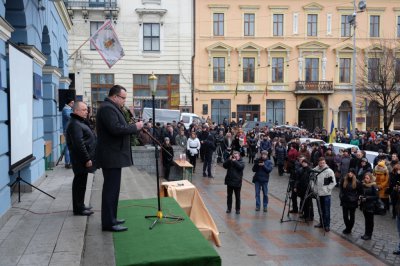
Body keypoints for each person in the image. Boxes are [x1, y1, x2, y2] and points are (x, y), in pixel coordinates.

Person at [96, 85, 143, 232]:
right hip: (111, 155)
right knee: (110, 190)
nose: (124, 101)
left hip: (114, 155)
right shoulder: (107, 108)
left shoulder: (111, 107)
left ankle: (112, 218)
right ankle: (108, 223)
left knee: (114, 189)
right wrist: (135, 127)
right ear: (115, 96)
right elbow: (115, 129)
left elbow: (118, 126)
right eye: (123, 98)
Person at [66, 101, 96, 216]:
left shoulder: (79, 122)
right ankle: (78, 208)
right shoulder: (75, 124)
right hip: (81, 161)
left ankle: (81, 205)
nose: (86, 112)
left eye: (86, 110)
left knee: (82, 184)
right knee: (79, 184)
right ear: (76, 111)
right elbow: (79, 144)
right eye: (84, 110)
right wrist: (86, 159)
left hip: (82, 160)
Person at [313, 157, 336, 232]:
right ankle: (321, 223)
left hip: (326, 194)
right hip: (318, 193)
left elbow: (333, 182)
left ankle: (327, 225)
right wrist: (313, 188)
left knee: (326, 210)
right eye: (320, 163)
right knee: (320, 209)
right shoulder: (315, 170)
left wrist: (327, 189)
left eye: (323, 163)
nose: (322, 164)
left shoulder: (329, 171)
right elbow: (311, 180)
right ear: (318, 163)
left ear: (325, 163)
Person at [339, 168, 362, 234]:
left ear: (354, 174)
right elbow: (341, 188)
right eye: (349, 172)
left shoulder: (357, 182)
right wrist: (341, 195)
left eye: (351, 173)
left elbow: (360, 192)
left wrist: (356, 198)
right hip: (345, 200)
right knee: (345, 216)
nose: (350, 174)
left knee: (352, 216)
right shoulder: (344, 179)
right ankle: (347, 227)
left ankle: (349, 229)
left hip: (353, 201)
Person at [360, 172, 379, 240]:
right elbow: (363, 193)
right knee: (366, 220)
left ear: (370, 178)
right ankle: (366, 233)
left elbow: (376, 196)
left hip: (371, 206)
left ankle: (369, 235)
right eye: (365, 178)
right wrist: (361, 196)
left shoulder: (374, 185)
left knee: (370, 221)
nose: (366, 179)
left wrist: (367, 198)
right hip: (365, 205)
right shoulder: (364, 185)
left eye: (367, 178)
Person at [62, 98, 74, 169]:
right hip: (67, 130)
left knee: (70, 147)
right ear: (69, 103)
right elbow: (69, 117)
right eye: (72, 103)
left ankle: (70, 162)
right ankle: (67, 163)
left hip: (69, 130)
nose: (73, 104)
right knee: (68, 147)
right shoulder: (66, 109)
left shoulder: (69, 109)